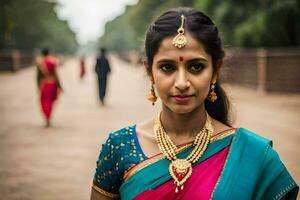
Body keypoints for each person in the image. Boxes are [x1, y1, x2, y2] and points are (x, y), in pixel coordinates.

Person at [91, 7, 298, 200]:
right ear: (149, 70)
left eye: (196, 67)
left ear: (216, 69)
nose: (182, 83)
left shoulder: (255, 156)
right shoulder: (120, 148)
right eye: (167, 67)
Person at [36, 48, 62, 127]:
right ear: (49, 53)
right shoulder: (53, 61)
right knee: (50, 101)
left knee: (44, 101)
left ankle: (47, 117)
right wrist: (59, 85)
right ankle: (49, 116)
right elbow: (56, 75)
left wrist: (38, 85)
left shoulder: (40, 62)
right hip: (53, 83)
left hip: (44, 84)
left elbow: (38, 76)